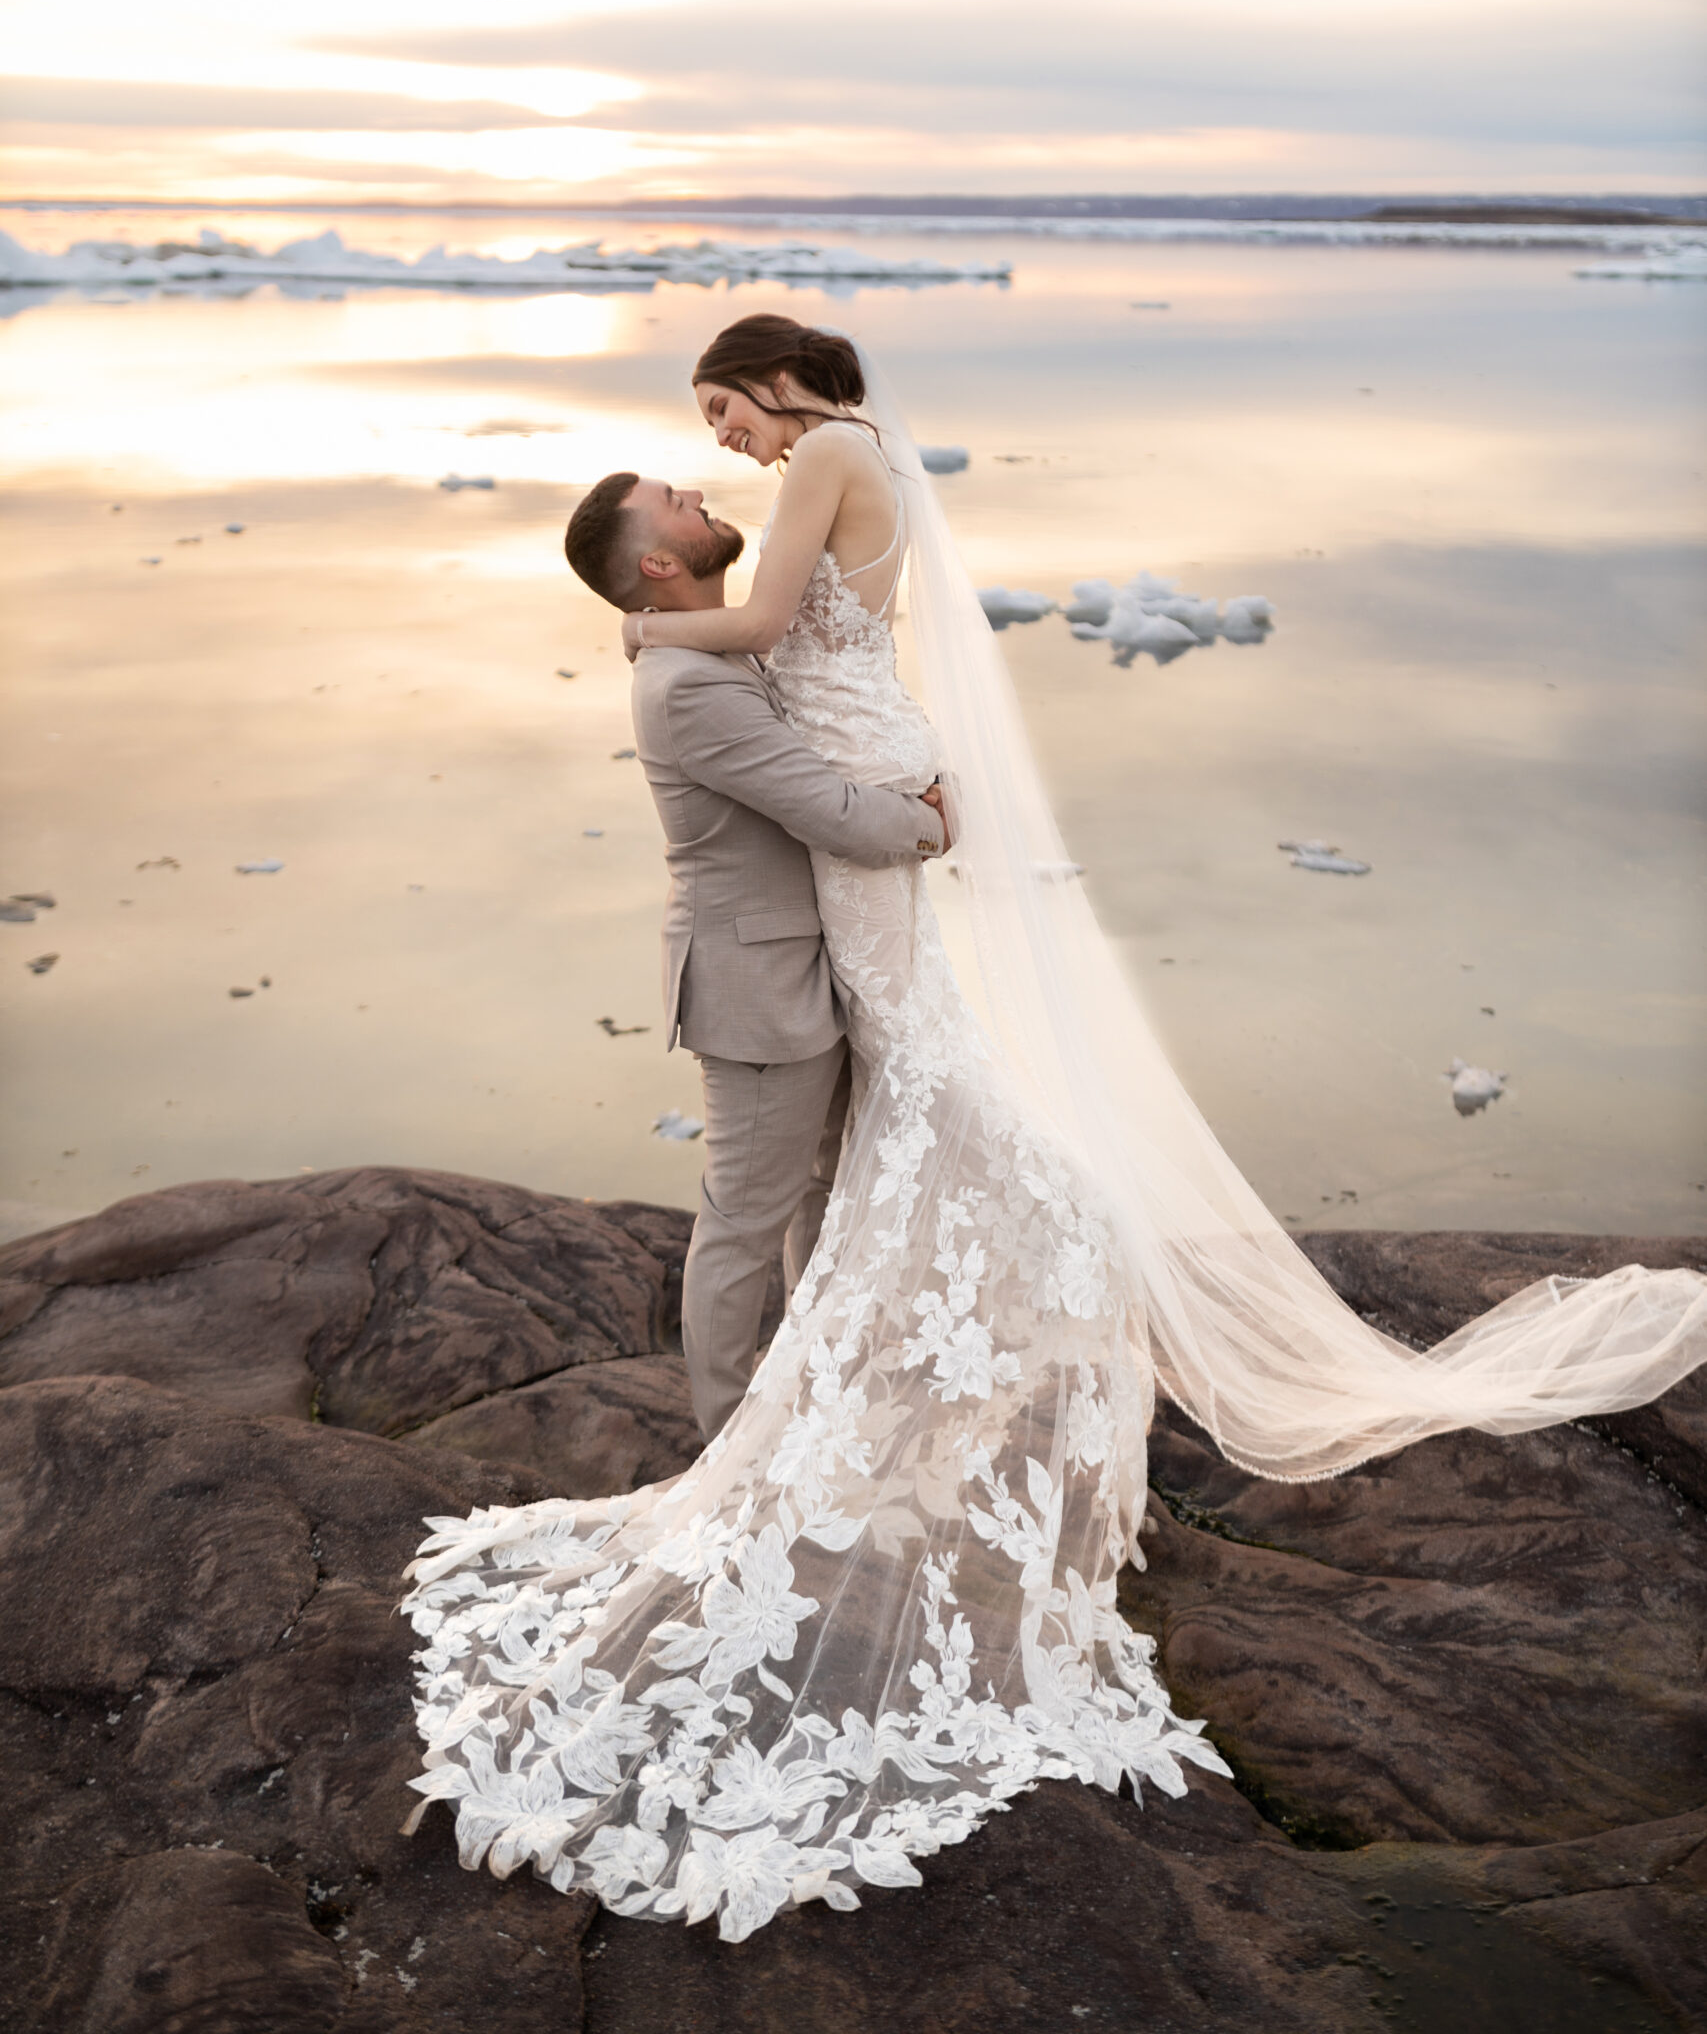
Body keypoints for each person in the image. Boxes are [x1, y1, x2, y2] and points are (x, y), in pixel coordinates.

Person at [401, 317, 1707, 1945]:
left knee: (900, 1128)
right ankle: (756, 1440)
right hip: (805, 908)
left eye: (713, 422)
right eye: (685, 466)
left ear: (759, 388)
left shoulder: (810, 471)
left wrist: (794, 727)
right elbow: (773, 719)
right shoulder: (727, 597)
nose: (714, 456)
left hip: (833, 885)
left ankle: (861, 1386)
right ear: (654, 561)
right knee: (812, 1180)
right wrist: (901, 799)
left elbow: (754, 639)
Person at [559, 465, 951, 1439]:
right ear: (658, 559)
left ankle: (814, 1402)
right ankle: (728, 1448)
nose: (696, 492)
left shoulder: (714, 651)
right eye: (675, 504)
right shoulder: (689, 687)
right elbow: (834, 815)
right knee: (743, 1220)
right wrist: (933, 821)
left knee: (820, 1192)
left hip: (800, 967)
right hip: (757, 983)